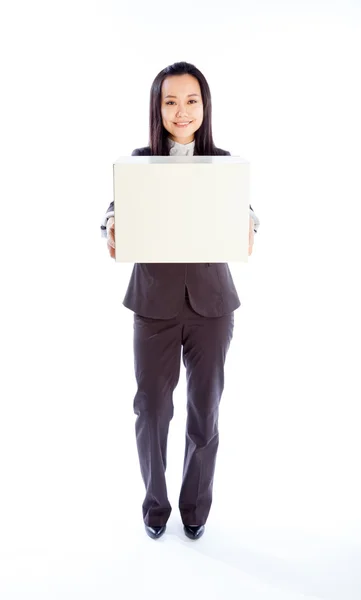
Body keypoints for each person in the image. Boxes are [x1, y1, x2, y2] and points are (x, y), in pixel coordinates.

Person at [100, 61, 260, 541]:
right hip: (154, 305)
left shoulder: (225, 160)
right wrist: (108, 223)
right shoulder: (139, 159)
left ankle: (195, 508)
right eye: (170, 101)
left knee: (204, 410)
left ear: (204, 106)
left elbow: (246, 212)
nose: (182, 110)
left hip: (212, 306)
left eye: (191, 100)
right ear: (158, 108)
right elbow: (115, 208)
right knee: (151, 410)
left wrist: (252, 221)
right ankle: (155, 506)